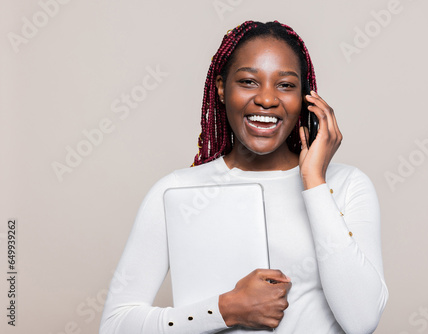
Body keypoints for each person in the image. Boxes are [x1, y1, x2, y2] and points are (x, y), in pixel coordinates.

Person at [99, 20, 388, 334]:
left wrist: (314, 182)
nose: (266, 99)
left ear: (306, 96)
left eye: (286, 85)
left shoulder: (346, 186)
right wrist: (226, 309)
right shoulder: (176, 192)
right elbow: (116, 325)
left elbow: (361, 321)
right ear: (222, 89)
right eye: (249, 81)